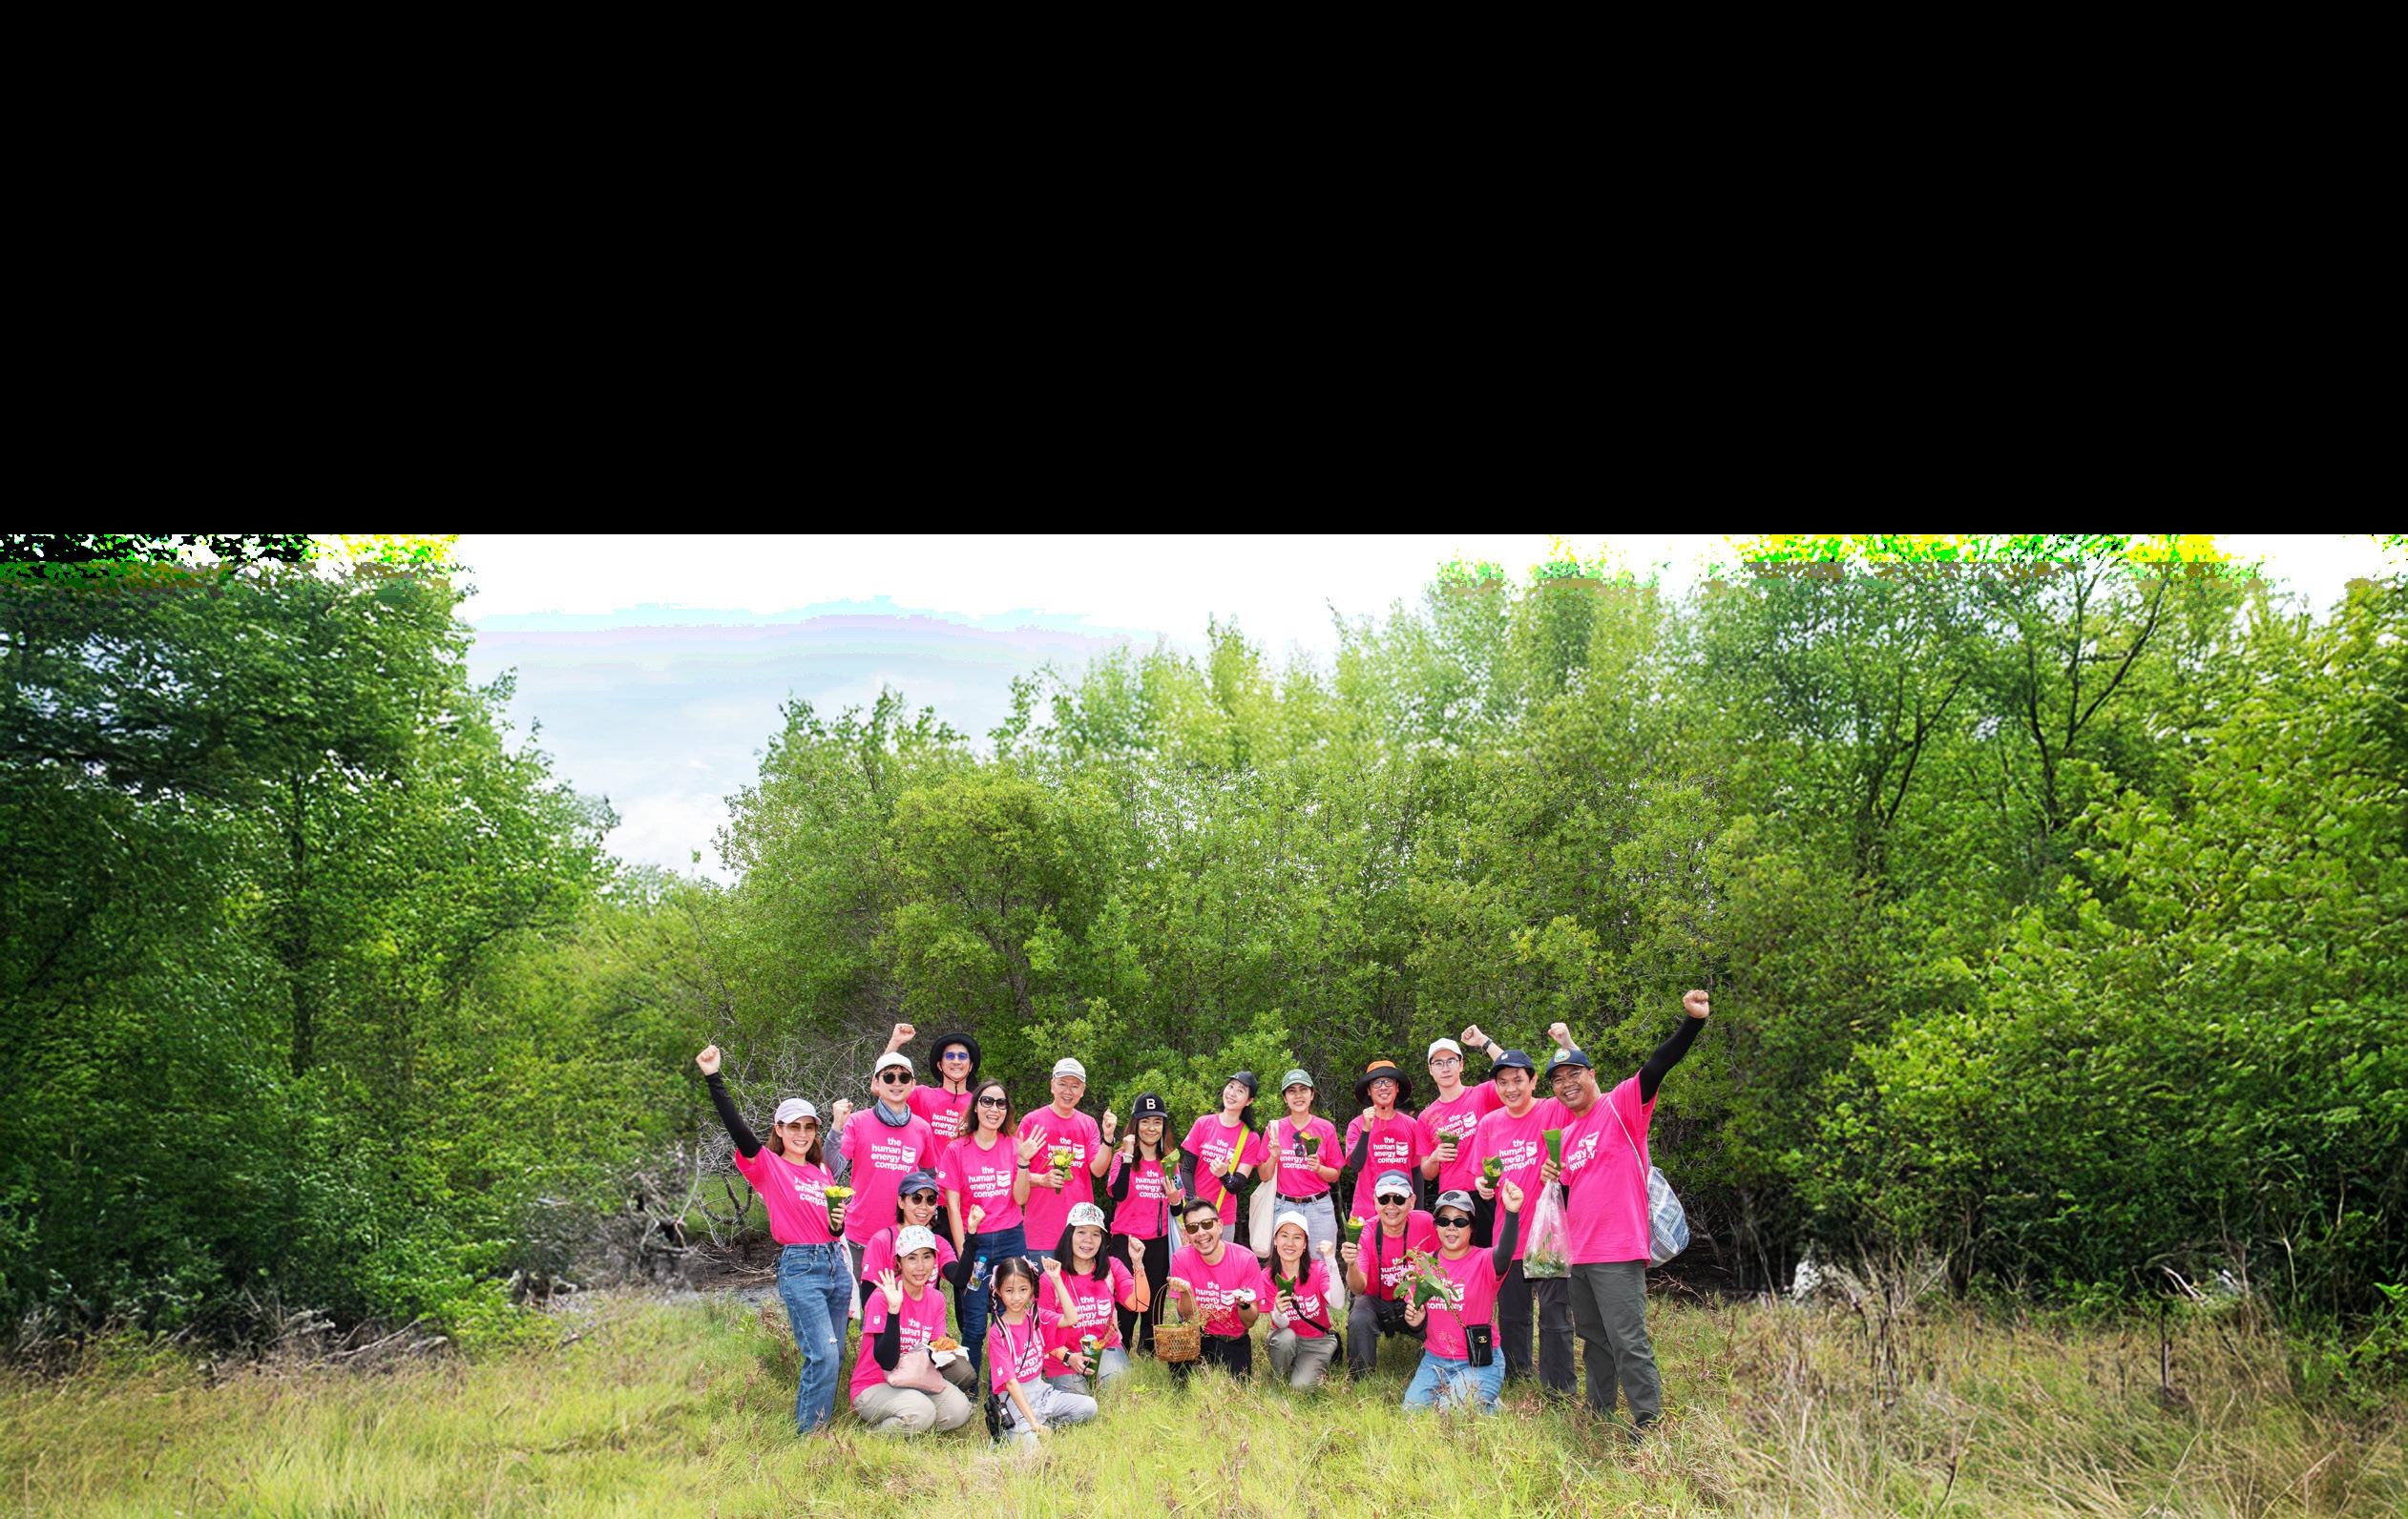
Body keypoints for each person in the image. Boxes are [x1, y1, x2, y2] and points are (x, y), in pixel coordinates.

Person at [1543, 989, 1710, 1434]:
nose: (1566, 1083)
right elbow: (1570, 1195)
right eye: (1558, 1079)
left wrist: (1692, 1022)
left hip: (1618, 1251)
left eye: (1574, 1073)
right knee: (1594, 1339)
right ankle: (1599, 1411)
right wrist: (1551, 1179)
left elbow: (1657, 1066)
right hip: (1580, 1255)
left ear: (1591, 1075)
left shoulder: (1620, 1108)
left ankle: (1648, 1422)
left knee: (1627, 1340)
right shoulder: (1568, 1134)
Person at [694, 1044, 852, 1434]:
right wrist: (714, 1078)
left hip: (835, 1264)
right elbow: (738, 1130)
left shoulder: (821, 1172)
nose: (802, 1134)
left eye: (808, 1127)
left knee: (834, 1354)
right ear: (779, 1130)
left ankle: (820, 1428)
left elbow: (831, 1228)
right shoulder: (769, 1165)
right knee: (823, 1354)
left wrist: (836, 1224)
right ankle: (810, 1436)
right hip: (802, 1267)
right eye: (793, 1126)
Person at [1465, 1047, 1575, 1398]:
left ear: (1533, 1080)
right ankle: (1516, 1376)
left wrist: (1566, 1042)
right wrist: (1483, 1185)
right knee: (1513, 1315)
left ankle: (1559, 1388)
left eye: (1517, 1080)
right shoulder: (1489, 1124)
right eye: (1502, 1082)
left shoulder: (1553, 1109)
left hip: (1547, 1235)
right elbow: (1481, 1175)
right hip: (1508, 1234)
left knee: (1555, 1315)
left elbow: (1588, 1098)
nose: (1510, 1088)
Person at [1399, 1183, 1524, 1413]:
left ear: (1472, 1227)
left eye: (1460, 1221)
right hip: (1435, 1360)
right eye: (1443, 1221)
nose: (1451, 1227)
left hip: (1480, 1361)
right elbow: (1417, 1322)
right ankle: (1481, 1401)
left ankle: (1484, 1400)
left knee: (1448, 1412)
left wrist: (1512, 1212)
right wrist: (1415, 1322)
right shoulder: (1424, 1264)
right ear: (1436, 1226)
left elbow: (1505, 1253)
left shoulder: (1484, 1260)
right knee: (1412, 1412)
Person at [1425, 1023, 1577, 1211]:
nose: (1510, 1088)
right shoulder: (1431, 1117)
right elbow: (1429, 1173)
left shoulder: (1482, 1094)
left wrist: (1484, 1041)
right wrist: (1436, 1159)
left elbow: (1511, 1066)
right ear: (1430, 1069)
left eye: (1451, 1061)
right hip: (1459, 1197)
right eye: (1438, 1063)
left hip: (1537, 1212)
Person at [937, 1078, 1032, 1379]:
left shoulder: (1014, 1146)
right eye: (987, 1101)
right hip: (975, 1246)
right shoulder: (956, 1150)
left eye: (1000, 1103)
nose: (994, 1109)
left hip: (1010, 1242)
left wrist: (1024, 1162)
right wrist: (964, 1252)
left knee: (1008, 1317)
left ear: (1007, 1110)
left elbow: (1021, 1199)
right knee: (975, 1323)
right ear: (976, 1106)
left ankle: (1002, 1386)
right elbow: (952, 1207)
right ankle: (969, 1387)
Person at [856, 1166, 967, 1402]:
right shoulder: (883, 1240)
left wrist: (973, 1237)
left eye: (930, 1200)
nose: (923, 1206)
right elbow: (868, 1300)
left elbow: (958, 1278)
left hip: (923, 1328)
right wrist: (898, 1323)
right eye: (916, 1198)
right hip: (891, 1324)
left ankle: (921, 1386)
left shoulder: (937, 1242)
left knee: (963, 1372)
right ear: (901, 1201)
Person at [851, 1226, 973, 1436]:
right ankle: (871, 1437)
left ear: (935, 1260)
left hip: (915, 1377)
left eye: (927, 1257)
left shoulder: (936, 1299)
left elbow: (934, 1349)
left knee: (959, 1411)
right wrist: (894, 1311)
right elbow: (886, 1362)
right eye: (912, 1258)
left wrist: (949, 1351)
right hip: (874, 1383)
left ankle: (913, 1424)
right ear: (899, 1262)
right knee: (922, 1412)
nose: (920, 1266)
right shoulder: (882, 1297)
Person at [834, 1052, 940, 1287]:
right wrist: (835, 1129)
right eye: (889, 1077)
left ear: (913, 1084)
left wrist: (929, 1216)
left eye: (904, 1077)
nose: (896, 1083)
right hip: (860, 1238)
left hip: (906, 1241)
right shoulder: (856, 1122)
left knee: (904, 1308)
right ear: (876, 1083)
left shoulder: (922, 1128)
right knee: (861, 1307)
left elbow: (930, 1179)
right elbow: (831, 1171)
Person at [989, 1257, 1099, 1447]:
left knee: (1090, 1407)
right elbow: (1011, 1383)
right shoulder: (998, 1333)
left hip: (1042, 1395)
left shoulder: (1037, 1318)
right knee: (1035, 1453)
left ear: (1032, 1289)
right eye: (1009, 1290)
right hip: (1016, 1404)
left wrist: (1057, 1280)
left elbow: (1071, 1318)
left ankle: (1043, 1426)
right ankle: (1023, 1431)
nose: (1016, 1297)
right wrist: (1033, 1423)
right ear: (998, 1291)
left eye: (1023, 1289)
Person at [1104, 1092, 1183, 1353]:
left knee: (1154, 1301)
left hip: (1158, 1242)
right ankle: (1121, 1349)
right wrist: (1128, 1156)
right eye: (1145, 1121)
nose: (1151, 1128)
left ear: (1164, 1126)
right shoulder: (1121, 1158)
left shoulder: (1170, 1161)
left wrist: (1174, 1199)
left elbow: (1178, 1208)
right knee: (1126, 1300)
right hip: (1125, 1241)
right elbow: (1117, 1193)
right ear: (1135, 1124)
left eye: (1157, 1122)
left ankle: (1148, 1351)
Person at [1042, 1202, 1147, 1394]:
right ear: (1069, 1235)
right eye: (1081, 1232)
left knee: (1120, 1393)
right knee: (1081, 1406)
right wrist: (1068, 1357)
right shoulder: (1052, 1276)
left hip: (1105, 1347)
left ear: (1102, 1240)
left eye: (1096, 1234)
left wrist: (1137, 1263)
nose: (1088, 1240)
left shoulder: (1111, 1267)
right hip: (1064, 1356)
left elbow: (1140, 1304)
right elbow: (1042, 1331)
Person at [1343, 1169, 1437, 1377]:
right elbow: (1358, 1288)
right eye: (1384, 1199)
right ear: (1375, 1202)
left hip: (1416, 1301)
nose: (1391, 1206)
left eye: (1399, 1199)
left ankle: (1443, 1360)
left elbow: (1445, 1266)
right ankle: (1361, 1379)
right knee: (1360, 1311)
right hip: (1376, 1302)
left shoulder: (1427, 1223)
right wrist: (1351, 1263)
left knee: (1441, 1305)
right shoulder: (1365, 1232)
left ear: (1412, 1201)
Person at [1164, 1194, 1266, 1381]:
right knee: (1182, 1383)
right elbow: (1188, 1316)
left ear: (1220, 1225)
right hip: (1198, 1336)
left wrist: (1243, 1304)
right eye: (1193, 1228)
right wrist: (1186, 1292)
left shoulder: (1245, 1259)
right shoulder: (1181, 1258)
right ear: (1187, 1234)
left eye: (1207, 1224)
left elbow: (1249, 1322)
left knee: (1237, 1391)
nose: (1201, 1233)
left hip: (1233, 1339)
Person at [1018, 1058, 1112, 1253]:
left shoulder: (1088, 1124)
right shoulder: (1032, 1121)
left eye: (1075, 1086)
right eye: (1062, 1084)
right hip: (1040, 1236)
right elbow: (1012, 1174)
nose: (1068, 1091)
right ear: (1052, 1085)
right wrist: (1041, 1179)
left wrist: (1109, 1137)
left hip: (1080, 1236)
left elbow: (1098, 1170)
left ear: (1082, 1091)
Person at [1260, 1070, 1343, 1259]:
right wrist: (1273, 1157)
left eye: (1303, 1090)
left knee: (1322, 1264)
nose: (1298, 1095)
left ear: (1312, 1094)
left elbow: (1335, 1175)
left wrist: (1319, 1168)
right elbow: (1264, 1176)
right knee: (1286, 1263)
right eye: (1292, 1091)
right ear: (1284, 1098)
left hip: (1319, 1208)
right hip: (1284, 1206)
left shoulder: (1325, 1128)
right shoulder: (1274, 1128)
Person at [1181, 1072, 1267, 1254]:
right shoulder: (1203, 1123)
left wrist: (1224, 1175)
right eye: (1231, 1086)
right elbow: (1186, 1169)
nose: (1232, 1093)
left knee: (1220, 1267)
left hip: (1221, 1218)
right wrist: (1192, 1203)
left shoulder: (1250, 1137)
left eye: (1240, 1091)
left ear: (1249, 1101)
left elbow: (1237, 1186)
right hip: (1191, 1214)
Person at [1263, 1210, 1344, 1390]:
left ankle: (1311, 1366)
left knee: (1301, 1387)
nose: (1290, 1243)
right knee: (1286, 1338)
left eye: (1297, 1237)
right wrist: (1278, 1311)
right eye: (1284, 1236)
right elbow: (1281, 1325)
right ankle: (1277, 1378)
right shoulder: (1267, 1277)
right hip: (1284, 1337)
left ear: (1305, 1244)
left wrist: (1331, 1261)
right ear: (1275, 1241)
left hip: (1316, 1342)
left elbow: (1338, 1303)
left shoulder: (1318, 1269)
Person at [1344, 1061, 1427, 1221]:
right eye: (1376, 1083)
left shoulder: (1412, 1125)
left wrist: (1418, 1212)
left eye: (1388, 1082)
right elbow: (1355, 1165)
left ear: (1397, 1088)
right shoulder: (1357, 1125)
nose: (1383, 1087)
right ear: (1369, 1091)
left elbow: (1417, 1171)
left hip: (1402, 1212)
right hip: (1366, 1213)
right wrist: (1366, 1130)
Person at [881, 1021, 981, 1144]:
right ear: (939, 1065)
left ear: (970, 1066)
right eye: (950, 1056)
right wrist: (895, 1042)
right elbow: (882, 1087)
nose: (956, 1061)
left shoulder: (980, 1104)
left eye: (962, 1056)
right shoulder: (921, 1095)